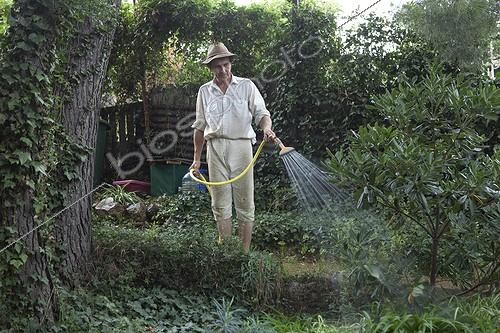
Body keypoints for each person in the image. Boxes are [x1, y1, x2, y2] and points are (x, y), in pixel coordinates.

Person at [190, 42, 276, 253]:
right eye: (218, 66)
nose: (223, 70)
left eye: (226, 65)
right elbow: (200, 127)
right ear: (211, 68)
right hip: (215, 148)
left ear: (231, 64)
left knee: (245, 200)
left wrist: (266, 129)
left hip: (242, 147)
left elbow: (262, 114)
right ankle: (227, 253)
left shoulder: (246, 86)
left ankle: (244, 253)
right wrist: (196, 158)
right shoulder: (205, 91)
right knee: (220, 202)